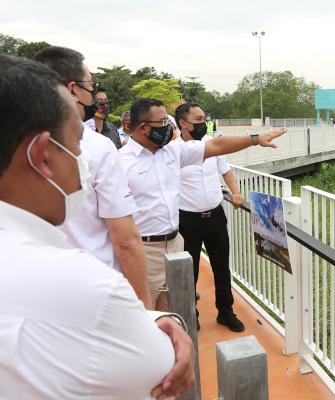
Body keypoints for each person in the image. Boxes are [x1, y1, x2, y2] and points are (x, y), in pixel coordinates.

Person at [0, 54, 194, 400]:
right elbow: (161, 369)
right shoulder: (90, 286)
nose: (81, 160)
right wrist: (157, 321)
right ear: (41, 155)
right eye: (76, 144)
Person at [119, 98, 286, 312]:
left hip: (175, 243)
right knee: (148, 310)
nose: (168, 127)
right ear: (143, 127)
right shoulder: (120, 162)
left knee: (178, 307)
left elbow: (217, 146)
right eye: (163, 122)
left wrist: (255, 139)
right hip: (146, 249)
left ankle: (214, 315)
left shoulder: (172, 152)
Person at [34, 46, 152, 308]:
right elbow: (125, 240)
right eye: (90, 85)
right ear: (73, 90)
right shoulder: (97, 146)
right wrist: (145, 308)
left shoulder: (16, 140)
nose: (95, 96)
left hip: (37, 292)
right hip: (97, 290)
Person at [176, 103, 245, 332]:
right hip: (187, 220)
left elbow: (226, 170)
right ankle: (190, 315)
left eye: (204, 118)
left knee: (222, 268)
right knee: (190, 271)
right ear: (183, 123)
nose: (203, 123)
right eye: (198, 119)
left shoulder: (212, 145)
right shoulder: (173, 150)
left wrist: (235, 192)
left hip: (215, 216)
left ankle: (226, 312)